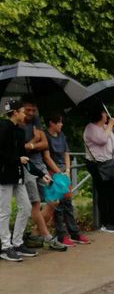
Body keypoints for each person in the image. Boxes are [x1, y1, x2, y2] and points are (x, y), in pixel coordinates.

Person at [21, 100, 66, 251]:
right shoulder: (18, 125)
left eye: (33, 110)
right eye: (28, 110)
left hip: (40, 166)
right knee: (35, 203)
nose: (31, 113)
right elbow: (20, 150)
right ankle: (47, 237)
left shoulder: (36, 122)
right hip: (26, 166)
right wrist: (34, 141)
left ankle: (34, 234)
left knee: (55, 200)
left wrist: (31, 144)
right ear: (21, 109)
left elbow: (45, 144)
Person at [42, 114, 90, 246]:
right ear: (52, 123)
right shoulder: (45, 136)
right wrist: (58, 172)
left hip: (63, 171)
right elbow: (47, 157)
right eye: (59, 122)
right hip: (53, 171)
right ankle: (61, 235)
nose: (61, 125)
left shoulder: (62, 135)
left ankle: (74, 232)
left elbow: (66, 153)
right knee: (58, 205)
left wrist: (67, 170)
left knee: (68, 202)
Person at [0, 99, 37, 262]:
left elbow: (25, 157)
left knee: (26, 207)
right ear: (15, 112)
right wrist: (17, 160)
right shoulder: (2, 127)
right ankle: (5, 246)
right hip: (4, 175)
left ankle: (17, 242)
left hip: (18, 175)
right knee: (4, 211)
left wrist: (42, 174)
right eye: (22, 111)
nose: (25, 114)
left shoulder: (20, 131)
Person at [83, 105, 114, 234]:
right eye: (104, 113)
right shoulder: (90, 128)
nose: (106, 115)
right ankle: (105, 223)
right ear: (99, 115)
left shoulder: (106, 127)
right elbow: (102, 140)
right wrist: (111, 125)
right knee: (104, 194)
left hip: (110, 164)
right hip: (98, 164)